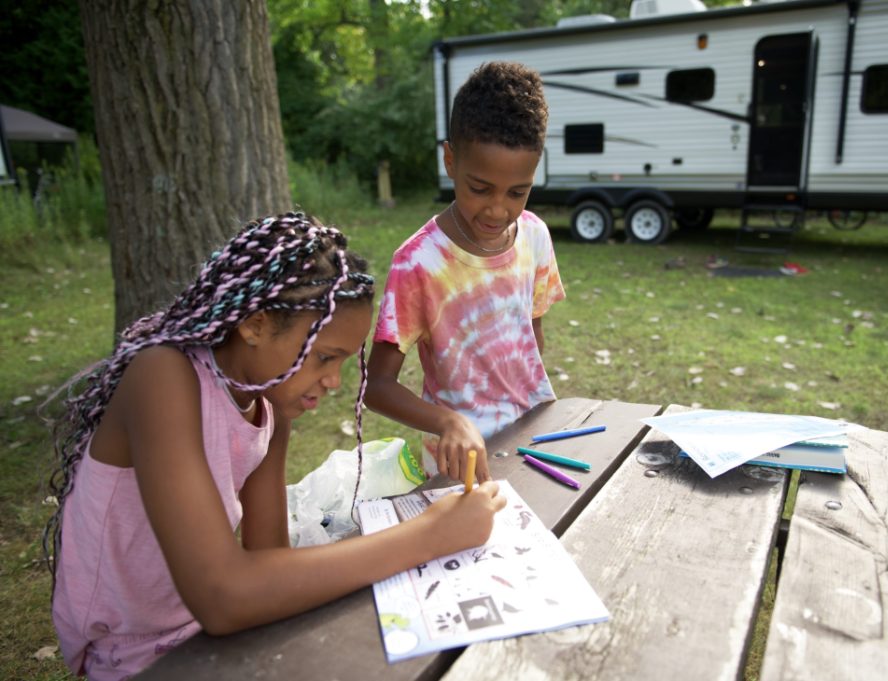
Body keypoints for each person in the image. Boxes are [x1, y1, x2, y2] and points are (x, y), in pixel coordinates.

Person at [44, 213, 506, 680]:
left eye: (344, 361)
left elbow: (268, 562)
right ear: (256, 325)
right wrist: (429, 536)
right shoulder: (162, 377)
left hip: (212, 633)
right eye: (326, 357)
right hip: (137, 654)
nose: (333, 381)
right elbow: (223, 597)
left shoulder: (267, 404)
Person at [365, 61, 565, 485]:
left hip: (532, 440)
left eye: (518, 191)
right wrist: (448, 423)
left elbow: (533, 337)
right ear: (450, 159)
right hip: (460, 465)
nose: (498, 209)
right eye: (480, 188)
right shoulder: (417, 263)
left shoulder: (534, 235)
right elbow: (377, 386)